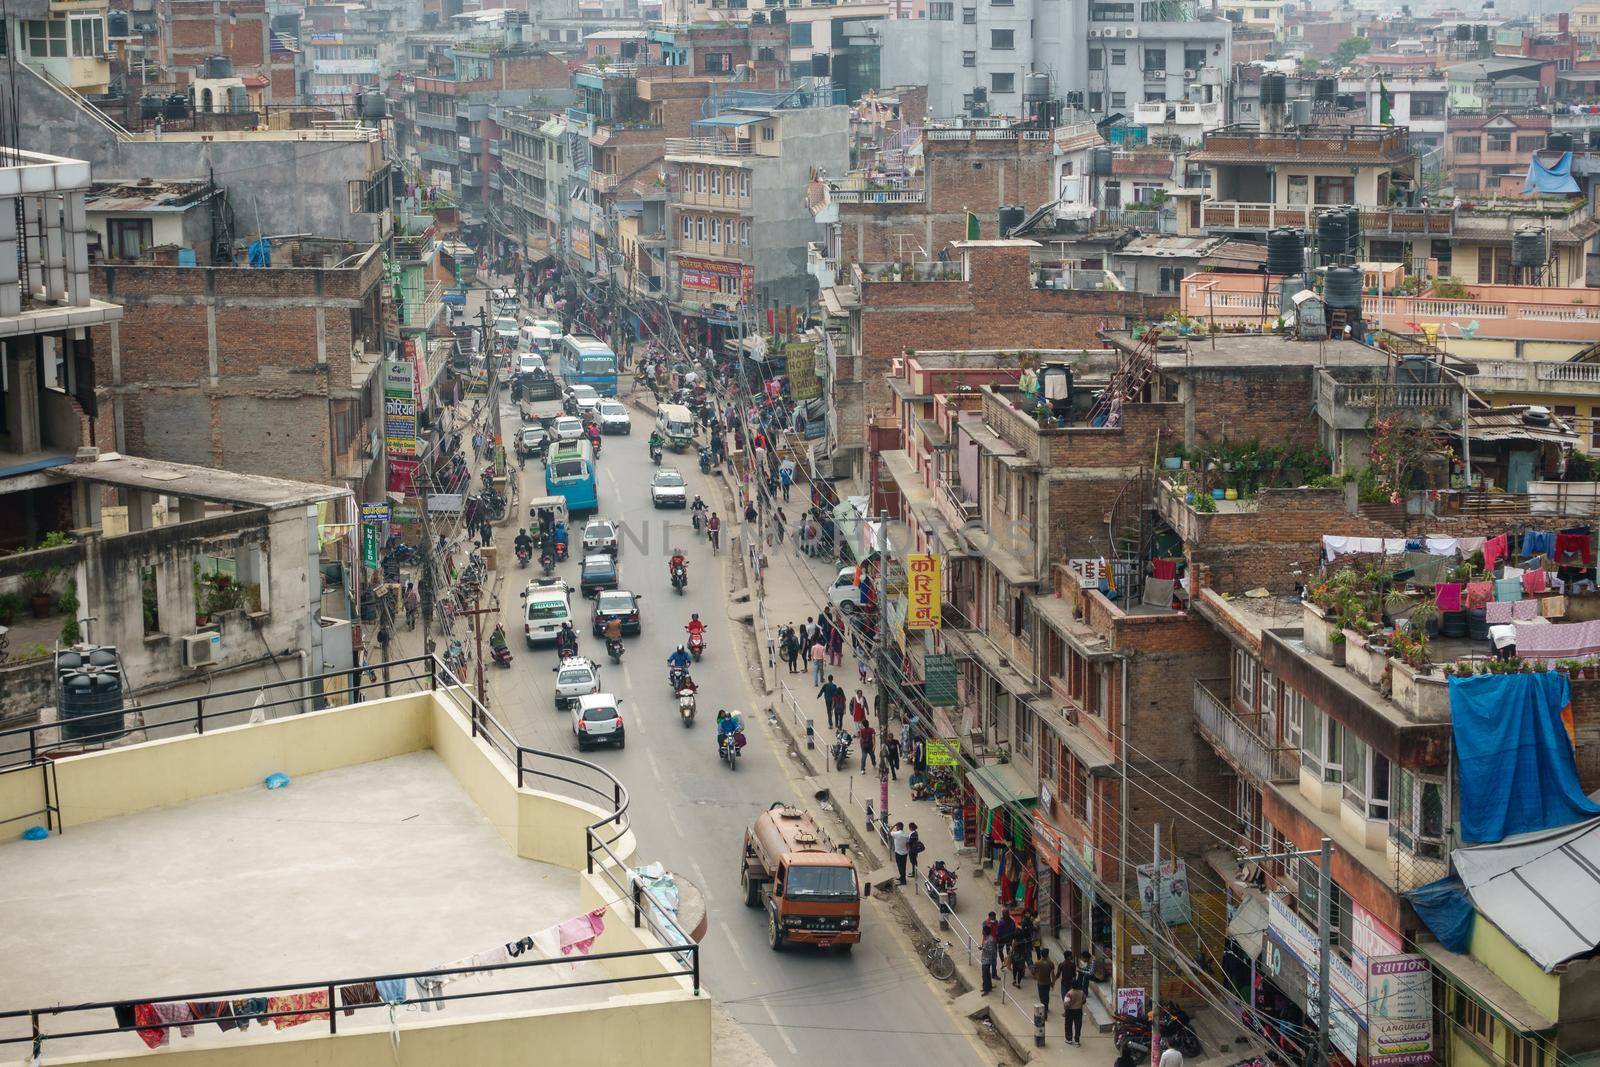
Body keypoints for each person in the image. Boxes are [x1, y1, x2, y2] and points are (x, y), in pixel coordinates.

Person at [1063, 980, 1087, 1046]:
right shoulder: (1082, 993)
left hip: (1070, 1011)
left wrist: (1066, 1010)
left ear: (1071, 985)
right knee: (1078, 1025)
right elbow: (1084, 1000)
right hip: (1078, 1010)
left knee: (1068, 1024)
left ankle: (1069, 1039)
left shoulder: (1069, 993)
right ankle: (1077, 1040)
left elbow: (1066, 1004)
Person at [1034, 950, 1056, 1020]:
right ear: (1048, 955)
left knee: (1042, 997)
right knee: (1046, 996)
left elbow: (1034, 972)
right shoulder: (1051, 963)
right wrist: (1053, 983)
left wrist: (1037, 977)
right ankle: (1046, 1008)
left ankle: (1044, 1012)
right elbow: (1053, 974)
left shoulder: (1037, 963)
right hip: (1048, 983)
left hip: (1040, 983)